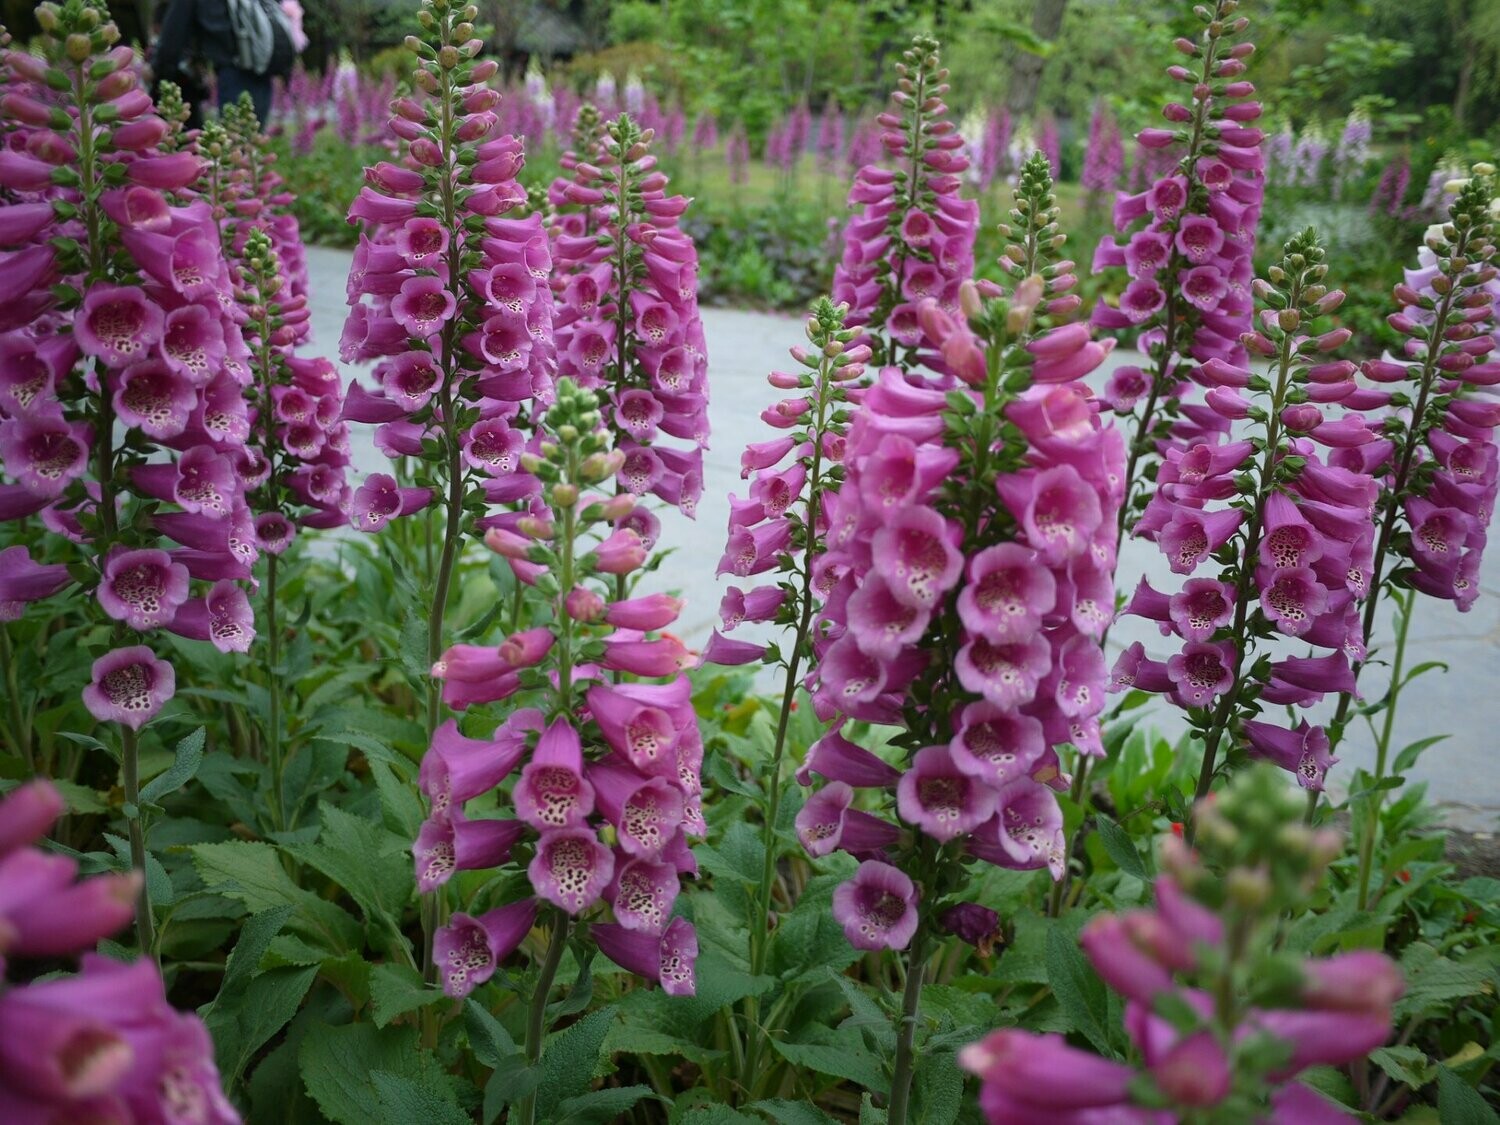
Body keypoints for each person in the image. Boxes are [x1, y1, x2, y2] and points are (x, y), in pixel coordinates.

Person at [153, 0, 300, 127]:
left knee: (233, 147)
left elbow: (174, 31)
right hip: (262, 69)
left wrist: (158, 70)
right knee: (251, 144)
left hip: (232, 74)